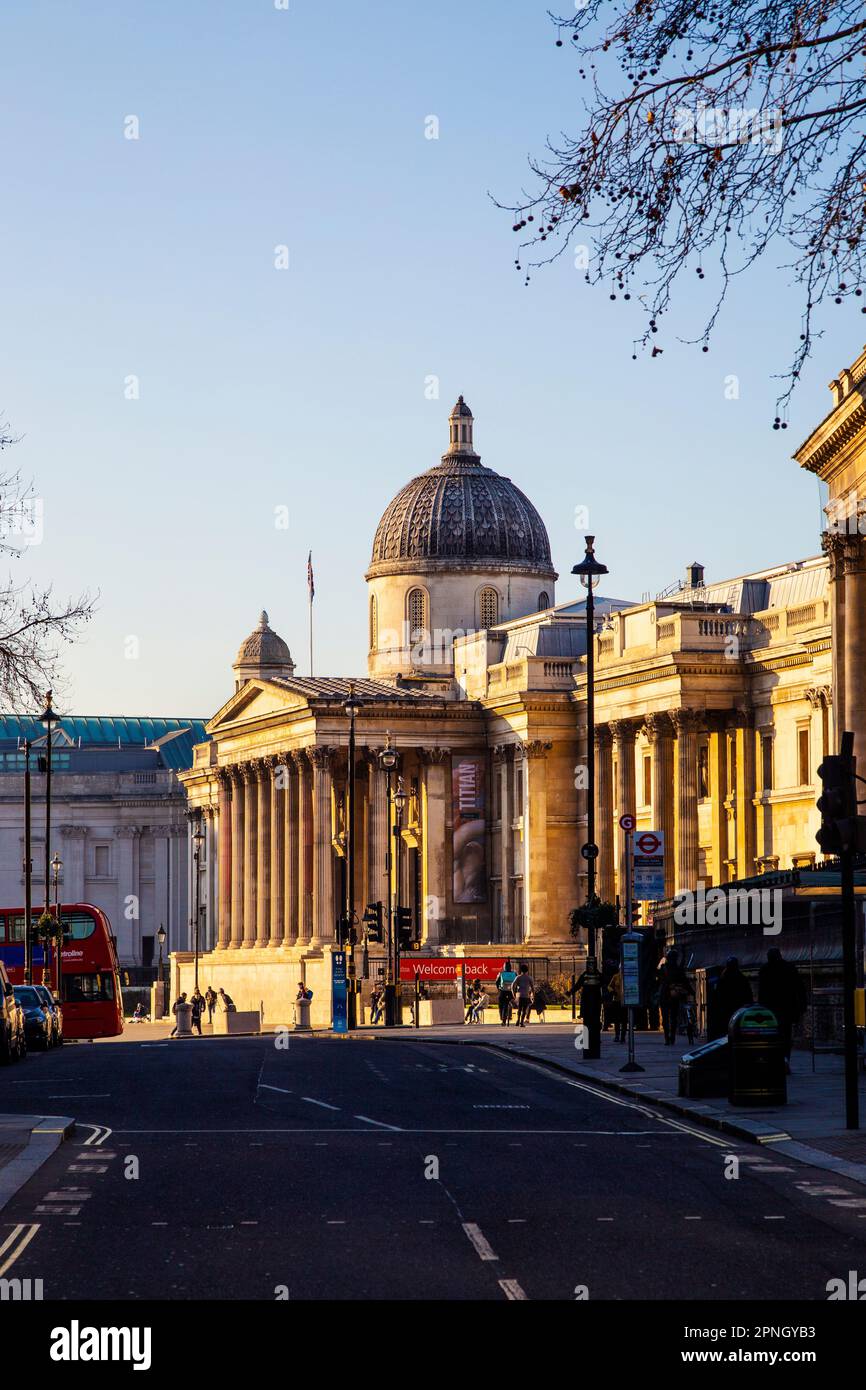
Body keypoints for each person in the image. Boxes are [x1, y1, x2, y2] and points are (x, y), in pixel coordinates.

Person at [758, 947, 807, 1069]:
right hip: (787, 1009)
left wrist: (761, 1009)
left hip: (771, 1010)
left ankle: (774, 1061)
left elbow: (761, 992)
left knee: (772, 1037)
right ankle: (785, 1059)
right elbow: (800, 988)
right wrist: (802, 1005)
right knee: (785, 1036)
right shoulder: (789, 968)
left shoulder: (765, 970)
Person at [708, 957, 753, 1040]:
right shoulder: (741, 978)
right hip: (738, 1007)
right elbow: (748, 994)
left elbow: (717, 995)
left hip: (725, 1007)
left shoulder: (723, 978)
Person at [656, 950, 693, 1046]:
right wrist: (691, 992)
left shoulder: (663, 968)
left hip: (664, 995)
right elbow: (685, 982)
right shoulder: (679, 969)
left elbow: (657, 977)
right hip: (674, 995)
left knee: (665, 1018)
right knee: (673, 1017)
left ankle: (667, 1039)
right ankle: (672, 1037)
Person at [512, 962, 534, 1028]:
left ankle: (518, 1020)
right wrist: (533, 995)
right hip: (526, 995)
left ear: (521, 970)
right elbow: (532, 987)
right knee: (524, 1010)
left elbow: (512, 985)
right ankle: (521, 1022)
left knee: (519, 1008)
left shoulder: (518, 977)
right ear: (527, 970)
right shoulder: (529, 978)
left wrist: (513, 993)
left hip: (519, 995)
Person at [495, 958, 517, 1025]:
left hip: (503, 991)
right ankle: (510, 1016)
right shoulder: (514, 973)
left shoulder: (501, 973)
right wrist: (515, 991)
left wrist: (499, 989)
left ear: (504, 967)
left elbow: (497, 982)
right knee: (509, 1002)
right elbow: (516, 983)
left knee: (501, 1004)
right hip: (511, 992)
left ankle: (502, 1019)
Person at [607, 968, 626, 1042]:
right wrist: (612, 991)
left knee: (624, 1020)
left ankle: (623, 1036)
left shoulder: (626, 976)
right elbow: (609, 986)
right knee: (617, 1020)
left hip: (625, 1001)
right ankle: (617, 1035)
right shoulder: (616, 976)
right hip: (616, 1000)